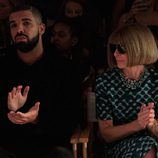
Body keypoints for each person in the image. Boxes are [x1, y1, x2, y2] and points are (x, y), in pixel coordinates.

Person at [0, 4, 79, 158]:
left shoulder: (64, 68)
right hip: (9, 147)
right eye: (13, 25)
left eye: (26, 23)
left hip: (50, 146)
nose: (19, 29)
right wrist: (10, 110)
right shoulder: (3, 66)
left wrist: (37, 118)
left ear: (41, 29)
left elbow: (72, 118)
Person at [95, 23, 158, 158]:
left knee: (149, 144)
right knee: (146, 146)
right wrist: (137, 124)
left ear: (139, 48)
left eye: (121, 49)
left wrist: (151, 124)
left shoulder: (156, 80)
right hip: (119, 147)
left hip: (154, 142)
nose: (115, 53)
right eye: (113, 48)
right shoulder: (105, 82)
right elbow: (106, 134)